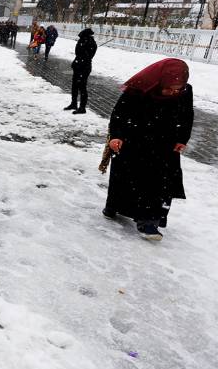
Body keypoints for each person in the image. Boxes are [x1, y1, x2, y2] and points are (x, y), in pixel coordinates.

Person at [101, 58, 193, 240]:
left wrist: (182, 138)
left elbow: (186, 114)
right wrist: (117, 135)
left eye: (177, 89)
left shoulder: (185, 91)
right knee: (128, 178)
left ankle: (149, 221)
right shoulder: (140, 87)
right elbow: (120, 113)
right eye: (169, 89)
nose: (173, 93)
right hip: (134, 140)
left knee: (159, 182)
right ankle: (115, 205)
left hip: (165, 144)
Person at [64, 28, 97, 114]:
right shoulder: (83, 41)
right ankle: (74, 103)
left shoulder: (90, 42)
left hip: (84, 67)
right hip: (78, 65)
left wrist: (84, 53)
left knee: (82, 87)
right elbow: (78, 52)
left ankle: (82, 108)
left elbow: (87, 55)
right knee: (75, 85)